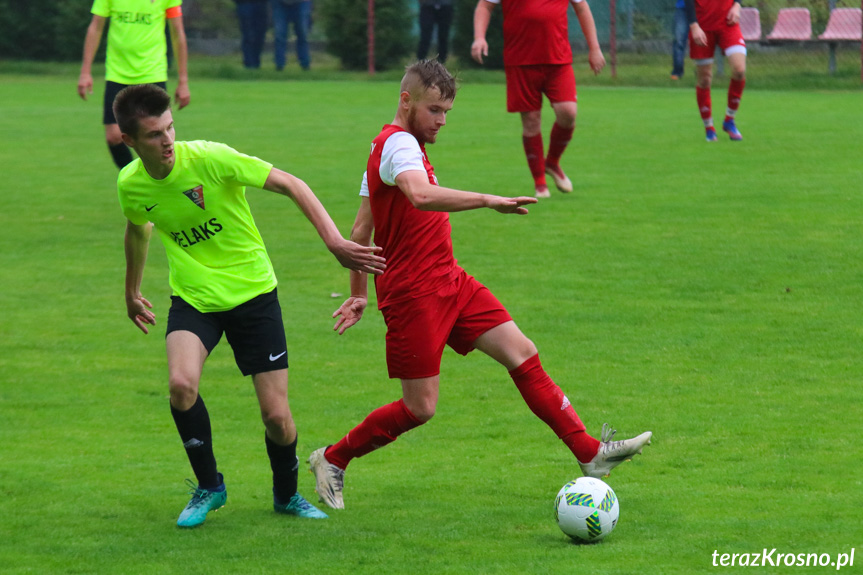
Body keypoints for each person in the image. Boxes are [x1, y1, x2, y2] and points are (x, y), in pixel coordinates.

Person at [307, 60, 652, 511]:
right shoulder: (398, 148)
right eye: (435, 110)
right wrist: (489, 200)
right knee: (419, 408)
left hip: (450, 279)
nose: (442, 121)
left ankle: (590, 454)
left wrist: (358, 293)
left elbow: (359, 233)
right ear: (406, 101)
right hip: (413, 295)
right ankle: (332, 458)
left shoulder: (388, 148)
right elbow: (421, 196)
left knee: (522, 352)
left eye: (447, 111)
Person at [113, 84, 387, 527]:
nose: (167, 141)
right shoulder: (131, 183)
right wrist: (131, 291)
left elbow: (291, 183)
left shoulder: (209, 158)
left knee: (277, 417)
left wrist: (335, 241)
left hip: (253, 294)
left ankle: (286, 496)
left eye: (170, 128)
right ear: (129, 141)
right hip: (194, 297)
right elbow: (138, 230)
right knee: (181, 386)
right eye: (153, 135)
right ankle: (210, 486)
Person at [471, 0, 605, 198]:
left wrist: (594, 48)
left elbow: (582, 7)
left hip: (558, 59)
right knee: (531, 120)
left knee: (568, 112)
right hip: (521, 60)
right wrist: (479, 37)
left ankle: (551, 162)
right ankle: (540, 183)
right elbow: (485, 5)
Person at [78, 0, 191, 170]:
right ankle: (137, 179)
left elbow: (177, 33)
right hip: (117, 75)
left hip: (153, 73)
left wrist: (183, 81)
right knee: (114, 137)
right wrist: (85, 72)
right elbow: (96, 28)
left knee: (159, 136)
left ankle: (163, 183)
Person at [685, 0, 746, 141]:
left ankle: (729, 120)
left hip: (728, 23)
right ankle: (709, 128)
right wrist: (694, 26)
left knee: (739, 70)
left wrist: (737, 5)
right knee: (705, 79)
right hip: (703, 26)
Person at [271, 0, 312, 71]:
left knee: (302, 34)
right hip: (279, 3)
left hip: (302, 3)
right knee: (279, 35)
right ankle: (279, 65)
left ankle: (305, 64)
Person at [234, 0, 269, 69]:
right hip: (244, 4)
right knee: (247, 34)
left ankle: (256, 63)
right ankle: (249, 64)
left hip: (261, 4)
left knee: (259, 35)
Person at [671, 0, 688, 80]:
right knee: (679, 40)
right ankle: (677, 72)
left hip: (702, 8)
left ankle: (702, 71)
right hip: (683, 8)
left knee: (704, 40)